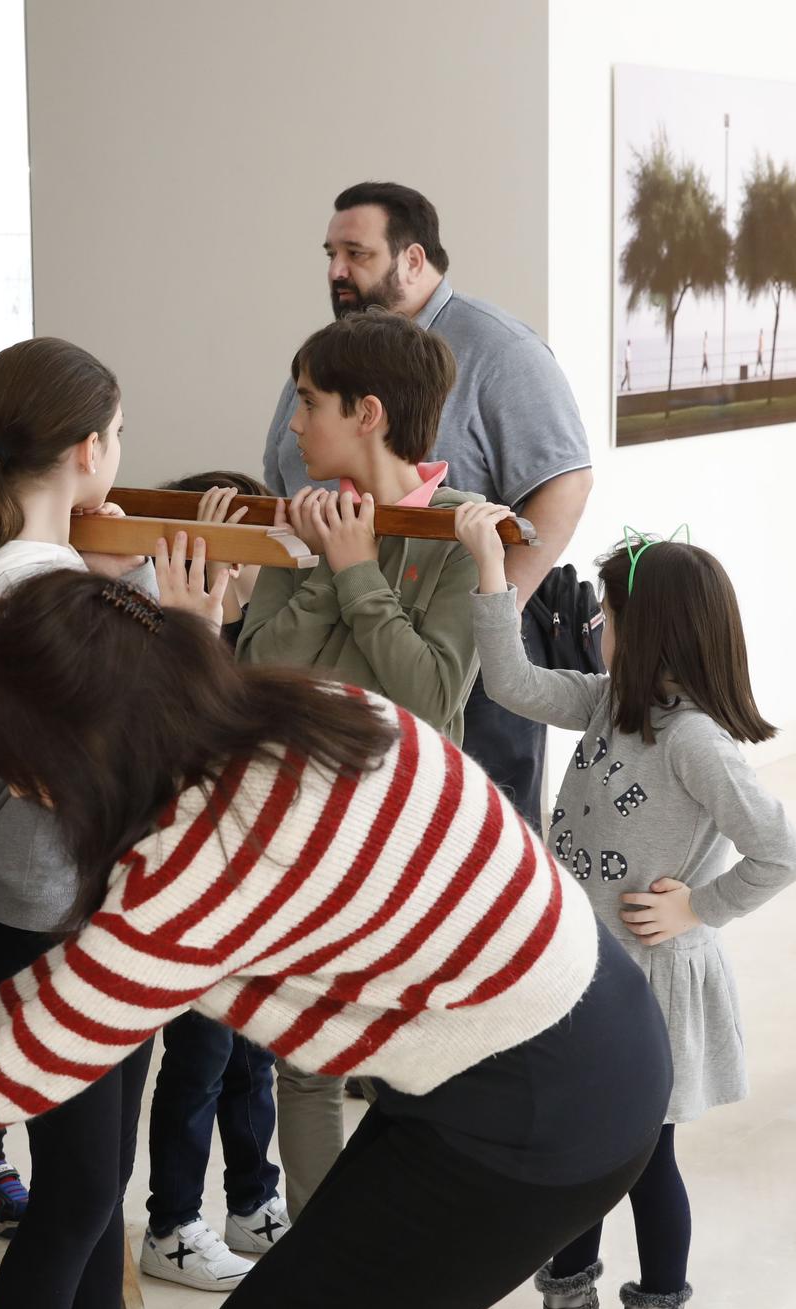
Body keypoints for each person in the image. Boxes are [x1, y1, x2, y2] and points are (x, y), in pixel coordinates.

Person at [0, 559, 674, 1309]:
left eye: (21, 774)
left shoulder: (202, 855)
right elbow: (78, 992)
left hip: (544, 1101)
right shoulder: (281, 710)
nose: (22, 798)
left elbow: (28, 1067)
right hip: (567, 1022)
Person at [457, 512, 796, 1309]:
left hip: (651, 982)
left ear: (645, 629)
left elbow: (783, 851)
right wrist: (489, 577)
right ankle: (568, 1296)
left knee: (646, 1161)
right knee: (581, 1148)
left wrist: (697, 905)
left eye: (608, 618)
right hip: (585, 971)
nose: (598, 630)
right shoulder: (614, 702)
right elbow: (511, 682)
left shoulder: (694, 741)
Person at [0, 335, 155, 1309]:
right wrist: (179, 626)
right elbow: (104, 767)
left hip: (29, 900)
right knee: (78, 1195)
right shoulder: (55, 594)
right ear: (83, 452)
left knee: (93, 1186)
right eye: (115, 434)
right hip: (64, 907)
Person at [238, 308, 482, 1219]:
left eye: (308, 403)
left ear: (368, 412)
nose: (294, 425)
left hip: (411, 847)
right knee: (302, 1071)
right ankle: (322, 1268)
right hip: (299, 839)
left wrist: (355, 571)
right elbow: (255, 672)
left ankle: (402, 1264)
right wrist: (318, 562)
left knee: (411, 1068)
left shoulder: (464, 531)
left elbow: (430, 697)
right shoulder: (295, 520)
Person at [260, 181, 594, 829]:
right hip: (325, 644)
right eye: (329, 253)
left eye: (355, 253)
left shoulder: (501, 350)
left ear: (413, 260)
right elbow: (282, 475)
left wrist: (493, 613)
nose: (336, 271)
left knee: (479, 833)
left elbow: (566, 483)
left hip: (454, 619)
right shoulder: (328, 359)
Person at [134, 472, 285, 1292]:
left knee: (249, 1057)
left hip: (247, 883)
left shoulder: (257, 622)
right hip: (192, 887)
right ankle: (172, 1221)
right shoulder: (174, 631)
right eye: (243, 545)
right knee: (198, 1057)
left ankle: (252, 1200)